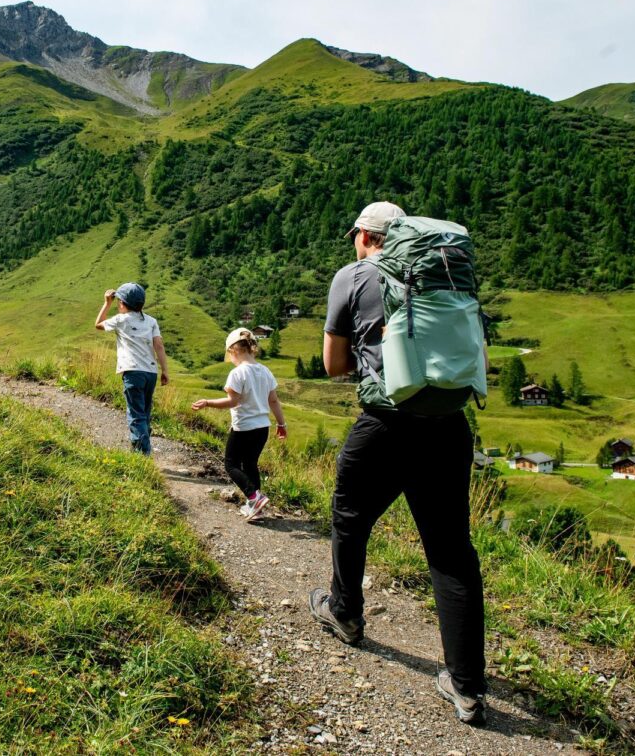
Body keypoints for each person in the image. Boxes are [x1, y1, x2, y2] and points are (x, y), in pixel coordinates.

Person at [307, 201, 488, 726]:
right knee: (452, 550)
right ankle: (467, 684)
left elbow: (334, 364)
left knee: (350, 515)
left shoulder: (354, 275)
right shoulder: (444, 270)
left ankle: (344, 612)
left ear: (364, 235)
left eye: (355, 238)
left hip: (385, 423)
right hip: (449, 425)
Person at [191, 327, 287, 521]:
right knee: (251, 464)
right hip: (262, 428)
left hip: (244, 427)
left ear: (234, 350)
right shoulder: (265, 371)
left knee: (231, 464)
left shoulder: (238, 373)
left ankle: (254, 496)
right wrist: (281, 423)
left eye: (229, 354)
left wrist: (207, 402)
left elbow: (233, 402)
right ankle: (255, 508)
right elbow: (274, 401)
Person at [94, 283, 169, 454]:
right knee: (144, 412)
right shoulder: (151, 321)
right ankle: (142, 446)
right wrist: (165, 370)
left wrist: (107, 303)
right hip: (151, 373)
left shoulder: (120, 320)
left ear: (121, 303)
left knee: (136, 415)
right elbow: (159, 346)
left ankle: (142, 455)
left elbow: (98, 324)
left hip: (133, 372)